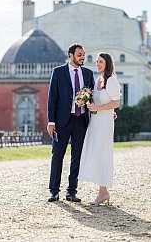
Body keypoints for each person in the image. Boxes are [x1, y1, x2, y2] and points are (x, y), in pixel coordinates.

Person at [47, 43, 95, 202]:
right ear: (71, 55)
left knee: (77, 156)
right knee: (57, 155)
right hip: (62, 121)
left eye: (84, 54)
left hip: (81, 120)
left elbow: (92, 97)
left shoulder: (88, 74)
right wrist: (51, 121)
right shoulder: (58, 72)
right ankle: (54, 191)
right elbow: (52, 98)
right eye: (79, 54)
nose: (83, 57)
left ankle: (71, 191)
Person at [78, 52, 121, 205]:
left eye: (100, 61)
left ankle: (103, 192)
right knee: (94, 153)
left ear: (107, 63)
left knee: (102, 154)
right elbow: (104, 101)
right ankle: (103, 191)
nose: (97, 64)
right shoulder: (99, 80)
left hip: (104, 124)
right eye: (96, 61)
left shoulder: (112, 81)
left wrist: (101, 108)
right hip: (96, 121)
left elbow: (116, 103)